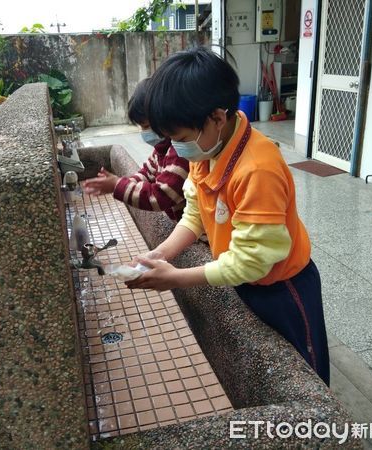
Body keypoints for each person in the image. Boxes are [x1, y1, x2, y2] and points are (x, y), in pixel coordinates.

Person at [125, 47, 330, 386]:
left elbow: (252, 262)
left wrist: (175, 278)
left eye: (180, 139)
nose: (176, 149)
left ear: (218, 118)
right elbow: (195, 213)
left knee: (305, 376)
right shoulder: (208, 149)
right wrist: (162, 254)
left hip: (284, 288)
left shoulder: (257, 169)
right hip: (245, 278)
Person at [82, 78, 189, 222]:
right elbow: (146, 173)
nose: (143, 132)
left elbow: (160, 197)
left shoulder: (180, 154)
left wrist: (117, 185)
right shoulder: (161, 150)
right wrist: (123, 183)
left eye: (146, 126)